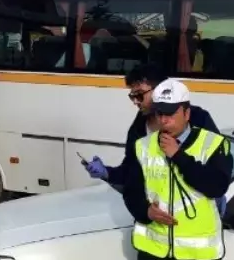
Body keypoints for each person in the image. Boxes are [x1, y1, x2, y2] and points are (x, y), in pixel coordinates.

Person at [120, 78, 234, 260]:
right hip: (155, 255)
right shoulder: (143, 146)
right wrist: (145, 211)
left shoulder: (213, 145)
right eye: (160, 114)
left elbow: (216, 187)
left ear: (187, 113)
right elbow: (131, 190)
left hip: (198, 259)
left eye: (170, 114)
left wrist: (178, 156)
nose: (164, 120)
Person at [84, 62, 220, 187]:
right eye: (133, 96)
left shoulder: (199, 118)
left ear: (160, 90)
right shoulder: (138, 129)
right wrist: (106, 172)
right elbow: (130, 173)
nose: (136, 102)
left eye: (139, 95)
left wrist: (219, 191)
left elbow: (218, 165)